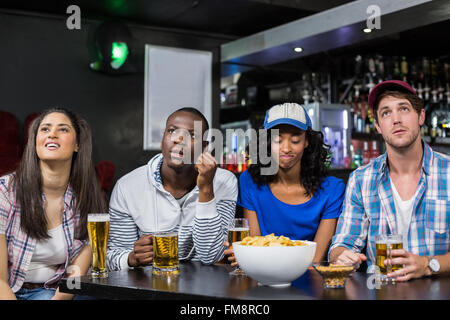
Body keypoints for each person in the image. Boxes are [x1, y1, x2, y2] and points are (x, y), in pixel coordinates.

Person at [329, 80, 450, 281]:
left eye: (403, 109)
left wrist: (429, 264)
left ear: (421, 116)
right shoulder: (361, 179)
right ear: (378, 125)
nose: (396, 119)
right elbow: (342, 245)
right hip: (379, 291)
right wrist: (341, 257)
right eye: (386, 113)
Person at [107, 107, 238, 270]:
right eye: (172, 131)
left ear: (204, 146)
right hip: (149, 287)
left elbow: (211, 255)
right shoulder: (127, 187)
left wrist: (206, 190)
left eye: (192, 135)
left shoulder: (224, 182)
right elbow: (112, 256)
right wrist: (131, 258)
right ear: (163, 139)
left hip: (204, 289)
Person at [0, 108, 106, 300]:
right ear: (35, 142)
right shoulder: (5, 191)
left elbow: (76, 273)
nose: (52, 134)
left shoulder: (85, 197)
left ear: (77, 145)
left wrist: (59, 299)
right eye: (45, 129)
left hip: (55, 291)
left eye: (63, 129)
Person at [225, 102, 346, 265]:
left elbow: (315, 259)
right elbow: (254, 246)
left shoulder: (332, 189)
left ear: (307, 142)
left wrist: (257, 258)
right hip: (263, 280)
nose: (286, 148)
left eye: (295, 139)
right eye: (277, 139)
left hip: (309, 282)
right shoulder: (250, 181)